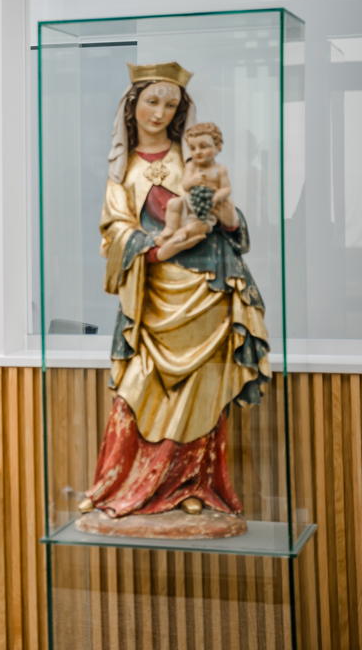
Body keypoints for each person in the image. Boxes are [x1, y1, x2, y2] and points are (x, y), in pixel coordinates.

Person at [77, 62, 269, 523]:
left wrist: (226, 212)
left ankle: (192, 484)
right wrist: (161, 250)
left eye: (170, 105)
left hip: (207, 289)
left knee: (203, 390)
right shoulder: (121, 173)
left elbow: (232, 226)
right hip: (153, 296)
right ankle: (117, 484)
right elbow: (115, 236)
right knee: (136, 389)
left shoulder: (194, 157)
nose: (159, 113)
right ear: (132, 106)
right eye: (151, 102)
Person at [156, 122, 233, 246]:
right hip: (189, 201)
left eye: (203, 147)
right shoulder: (191, 166)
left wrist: (216, 197)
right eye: (192, 148)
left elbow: (226, 188)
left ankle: (183, 234)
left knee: (199, 225)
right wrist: (193, 181)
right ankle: (170, 228)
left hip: (206, 207)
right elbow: (185, 185)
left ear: (218, 147)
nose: (197, 152)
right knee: (173, 203)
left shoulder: (220, 169)